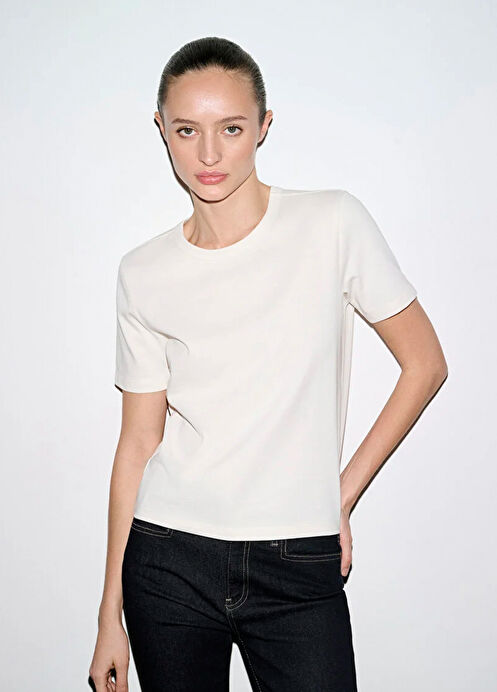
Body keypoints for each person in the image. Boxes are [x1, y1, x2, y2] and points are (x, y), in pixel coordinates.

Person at [89, 36, 448, 692]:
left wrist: (339, 495)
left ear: (263, 126)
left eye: (230, 128)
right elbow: (138, 441)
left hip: (297, 560)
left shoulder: (331, 223)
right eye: (186, 130)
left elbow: (424, 364)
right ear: (161, 130)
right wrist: (108, 613)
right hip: (166, 561)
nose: (208, 154)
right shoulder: (143, 271)